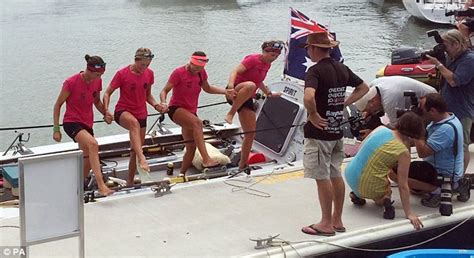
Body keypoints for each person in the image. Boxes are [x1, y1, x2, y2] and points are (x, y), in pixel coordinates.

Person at [301, 31, 369, 236]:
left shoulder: (314, 71)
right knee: (334, 173)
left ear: (313, 49)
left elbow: (309, 96)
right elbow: (363, 87)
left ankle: (325, 223)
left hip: (319, 132)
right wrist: (343, 104)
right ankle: (337, 220)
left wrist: (313, 114)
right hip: (336, 131)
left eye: (308, 49)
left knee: (322, 177)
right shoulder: (341, 68)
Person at [157, 51, 233, 175]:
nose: (198, 70)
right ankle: (207, 159)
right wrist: (163, 102)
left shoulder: (201, 73)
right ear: (191, 62)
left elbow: (208, 88)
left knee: (191, 148)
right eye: (196, 67)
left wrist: (226, 92)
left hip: (191, 112)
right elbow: (164, 91)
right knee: (198, 123)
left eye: (201, 67)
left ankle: (182, 174)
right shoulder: (179, 72)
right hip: (176, 109)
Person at [345, 112, 424, 230]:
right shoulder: (403, 152)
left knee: (374, 169)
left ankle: (356, 194)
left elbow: (361, 148)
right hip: (370, 188)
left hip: (349, 175)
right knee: (384, 190)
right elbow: (403, 185)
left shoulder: (380, 129)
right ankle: (384, 200)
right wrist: (409, 213)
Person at [390, 93, 470, 206]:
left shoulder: (445, 129)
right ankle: (456, 184)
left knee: (395, 174)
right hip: (440, 167)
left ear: (432, 110)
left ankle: (440, 190)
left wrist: (417, 127)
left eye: (422, 109)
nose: (420, 112)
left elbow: (422, 152)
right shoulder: (446, 118)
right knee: (412, 186)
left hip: (442, 173)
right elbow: (424, 140)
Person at [53, 55, 114, 196]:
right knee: (93, 144)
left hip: (87, 123)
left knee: (86, 160)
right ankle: (101, 186)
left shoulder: (97, 81)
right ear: (89, 70)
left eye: (101, 75)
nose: (98, 77)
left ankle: (77, 187)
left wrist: (106, 112)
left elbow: (97, 101)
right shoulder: (71, 82)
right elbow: (57, 105)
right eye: (97, 74)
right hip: (71, 122)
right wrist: (56, 129)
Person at [103, 48, 160, 185]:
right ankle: (142, 159)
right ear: (136, 60)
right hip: (123, 111)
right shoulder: (122, 73)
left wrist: (156, 105)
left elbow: (148, 96)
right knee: (134, 124)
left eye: (147, 65)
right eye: (142, 65)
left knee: (135, 149)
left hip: (141, 113)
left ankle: (129, 181)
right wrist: (106, 111)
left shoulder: (149, 74)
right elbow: (107, 93)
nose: (144, 68)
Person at [224, 40, 283, 171]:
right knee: (250, 85)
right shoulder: (252, 59)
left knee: (250, 133)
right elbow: (235, 71)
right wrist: (230, 87)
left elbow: (259, 80)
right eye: (272, 55)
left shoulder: (267, 65)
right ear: (264, 52)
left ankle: (242, 165)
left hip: (247, 97)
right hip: (236, 91)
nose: (274, 59)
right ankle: (231, 113)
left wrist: (268, 93)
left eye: (276, 57)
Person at [425, 29, 474, 173]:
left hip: (462, 109)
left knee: (462, 145)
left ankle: (460, 177)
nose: (445, 50)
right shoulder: (453, 57)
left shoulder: (470, 60)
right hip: (447, 107)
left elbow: (454, 81)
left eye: (446, 46)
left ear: (457, 44)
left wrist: (439, 65)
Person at [354, 76, 436, 139]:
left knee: (413, 129)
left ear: (373, 101)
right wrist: (369, 112)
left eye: (369, 109)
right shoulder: (374, 84)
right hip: (415, 96)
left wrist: (372, 133)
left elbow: (396, 128)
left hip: (429, 101)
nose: (371, 112)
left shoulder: (389, 100)